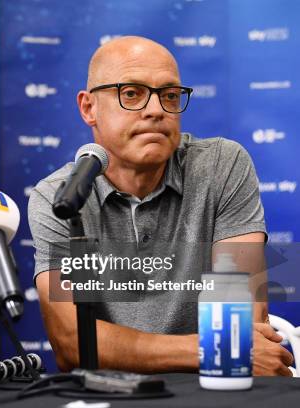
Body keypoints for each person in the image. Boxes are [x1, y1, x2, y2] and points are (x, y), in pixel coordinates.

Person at [28, 36, 293, 375]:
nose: (155, 110)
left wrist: (225, 348)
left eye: (169, 95)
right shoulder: (61, 198)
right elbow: (72, 344)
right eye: (131, 93)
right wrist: (207, 349)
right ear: (88, 108)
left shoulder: (221, 167)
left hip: (213, 391)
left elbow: (240, 321)